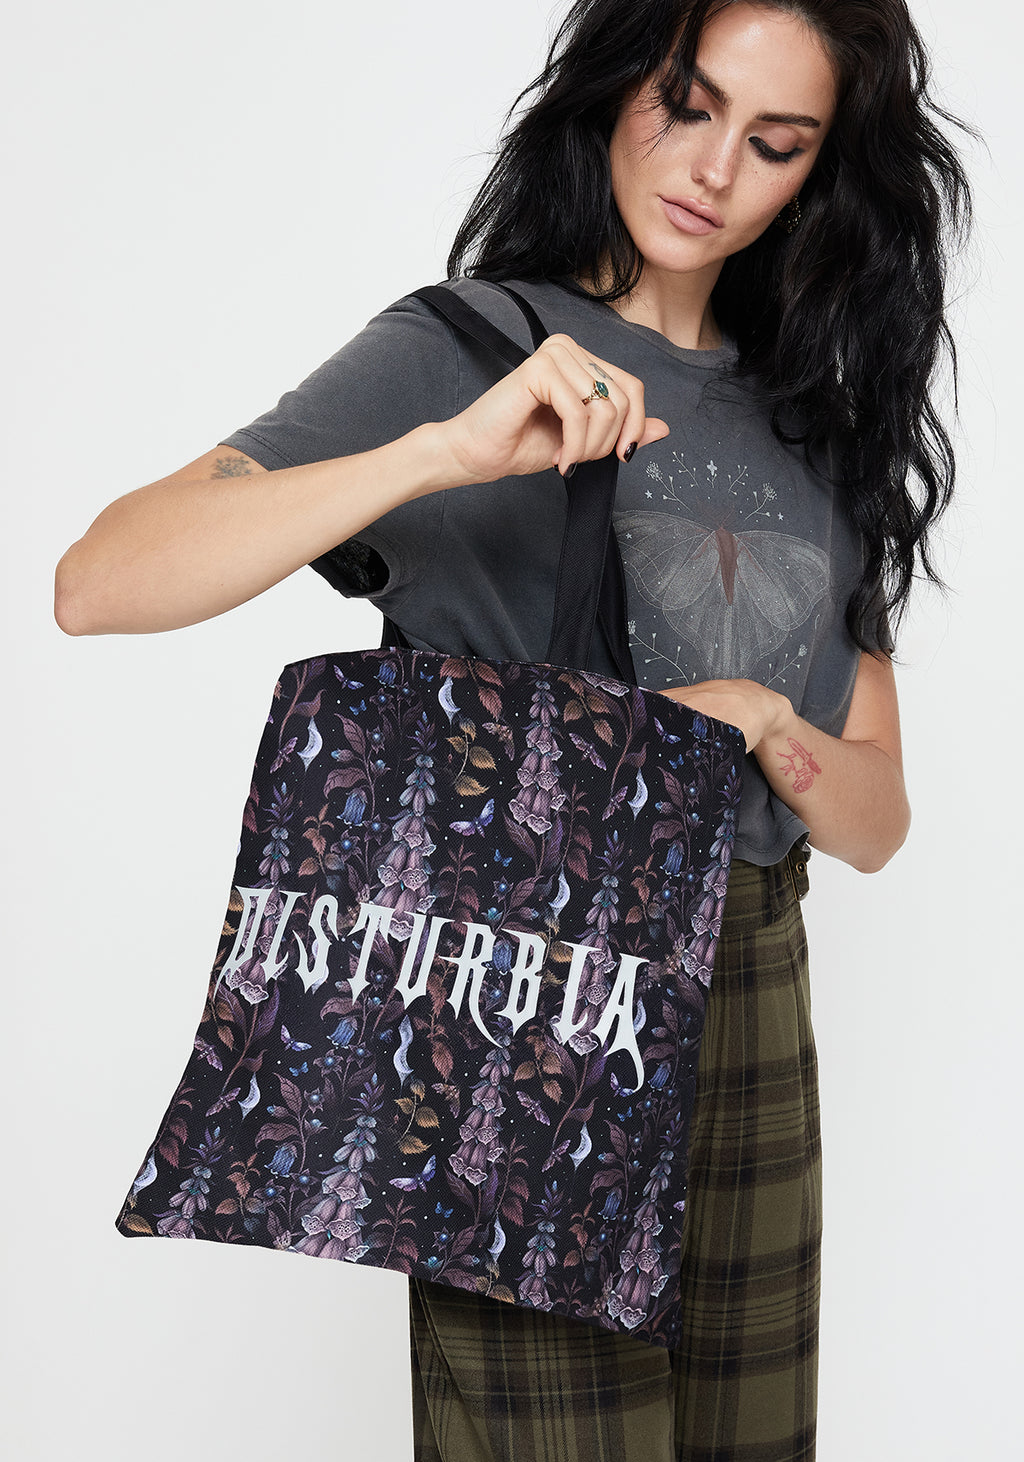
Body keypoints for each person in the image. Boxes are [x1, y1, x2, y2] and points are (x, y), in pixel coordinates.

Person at [54, 0, 972, 1457]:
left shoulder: (818, 424)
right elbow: (100, 580)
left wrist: (758, 726)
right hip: (534, 981)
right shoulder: (466, 347)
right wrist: (446, 451)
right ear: (614, 88)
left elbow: (878, 817)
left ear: (821, 173)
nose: (714, 167)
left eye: (776, 141)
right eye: (686, 103)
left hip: (753, 989)